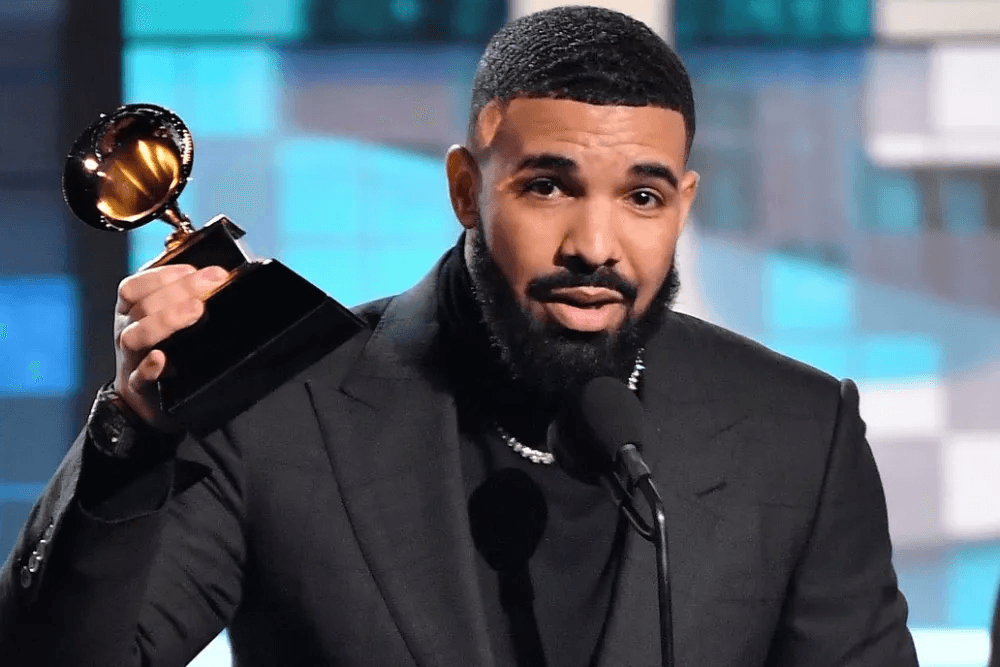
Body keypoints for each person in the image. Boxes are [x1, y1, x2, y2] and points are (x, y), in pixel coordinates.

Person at [0, 6, 917, 666]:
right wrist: (132, 435)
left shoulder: (798, 429)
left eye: (641, 197)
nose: (594, 246)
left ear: (683, 205)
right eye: (548, 186)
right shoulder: (283, 404)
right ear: (466, 189)